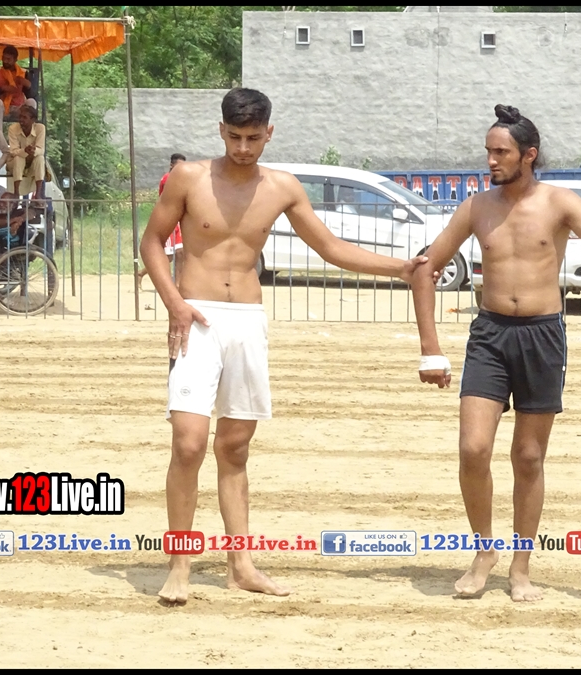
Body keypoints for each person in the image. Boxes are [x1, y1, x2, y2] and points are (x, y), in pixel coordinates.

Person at [139, 87, 430, 605]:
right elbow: (151, 242)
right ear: (220, 130)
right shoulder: (189, 177)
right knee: (188, 444)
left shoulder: (282, 187)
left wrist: (401, 268)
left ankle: (241, 564)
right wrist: (175, 304)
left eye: (253, 138)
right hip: (196, 317)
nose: (243, 148)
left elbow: (330, 247)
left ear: (269, 133)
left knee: (234, 447)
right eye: (234, 137)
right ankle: (180, 565)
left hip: (247, 321)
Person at [409, 104, 581, 603]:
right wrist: (431, 348)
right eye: (488, 151)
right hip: (490, 334)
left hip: (542, 336)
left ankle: (521, 565)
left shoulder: (559, 202)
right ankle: (484, 551)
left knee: (529, 457)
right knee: (473, 448)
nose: (491, 160)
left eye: (501, 152)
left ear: (529, 155)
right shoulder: (476, 207)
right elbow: (425, 267)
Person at [139, 153, 190, 286]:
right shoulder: (169, 179)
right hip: (169, 220)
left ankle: (177, 284)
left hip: (178, 220)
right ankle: (141, 273)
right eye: (179, 166)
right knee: (168, 256)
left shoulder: (178, 178)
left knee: (180, 252)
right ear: (171, 165)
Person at [0, 46, 37, 129]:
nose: (5, 61)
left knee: (31, 102)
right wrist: (3, 89)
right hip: (2, 108)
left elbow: (31, 95)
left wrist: (28, 86)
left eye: (8, 59)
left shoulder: (23, 73)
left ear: (15, 60)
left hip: (18, 108)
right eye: (4, 58)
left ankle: (28, 132)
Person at [4, 105, 46, 196]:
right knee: (18, 158)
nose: (21, 120)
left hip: (31, 163)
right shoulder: (13, 128)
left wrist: (33, 150)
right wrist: (25, 151)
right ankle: (16, 193)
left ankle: (38, 195)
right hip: (14, 164)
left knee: (40, 158)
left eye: (24, 117)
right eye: (20, 117)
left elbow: (41, 150)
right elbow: (13, 151)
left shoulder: (40, 128)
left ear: (33, 120)